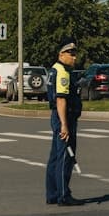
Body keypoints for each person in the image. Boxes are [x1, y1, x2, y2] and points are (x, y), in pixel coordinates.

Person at [45, 38, 83, 206]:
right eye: (71, 54)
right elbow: (61, 100)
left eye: (75, 54)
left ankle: (52, 194)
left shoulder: (54, 69)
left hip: (58, 116)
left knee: (55, 156)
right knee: (65, 156)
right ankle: (63, 195)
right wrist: (64, 125)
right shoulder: (62, 72)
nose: (74, 57)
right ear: (61, 54)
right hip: (64, 116)